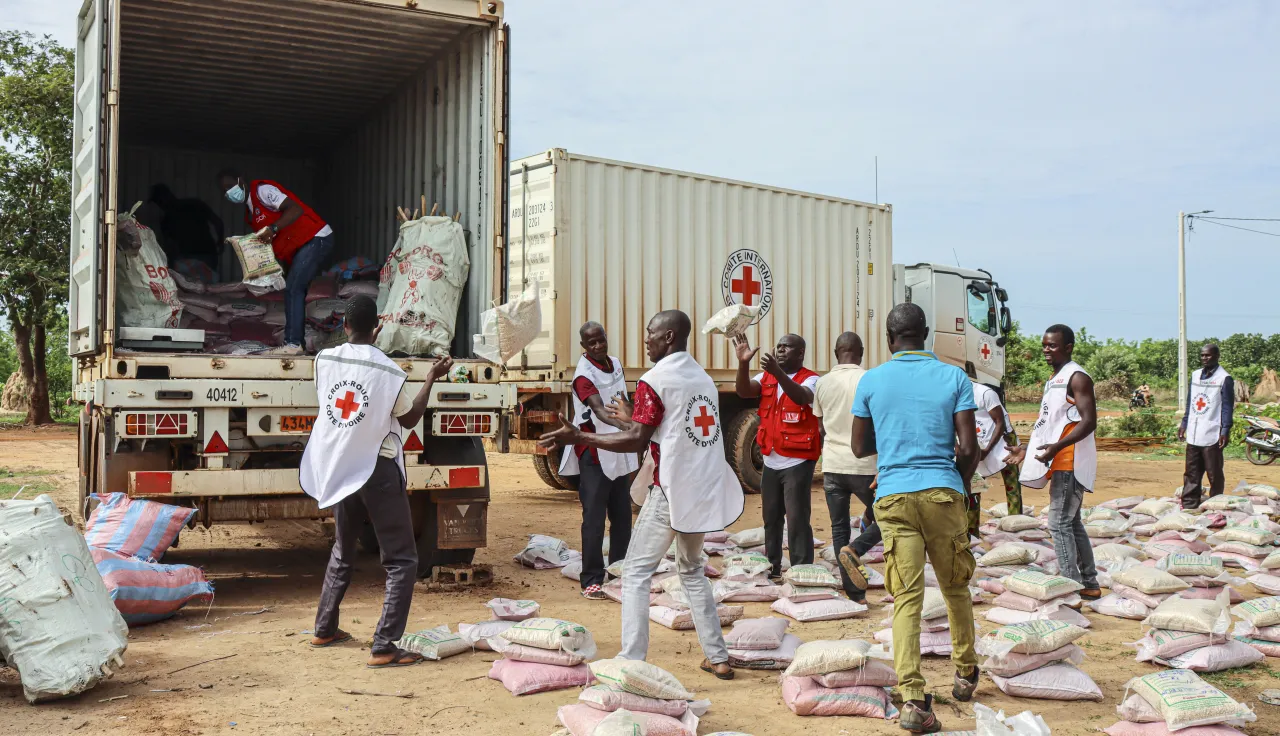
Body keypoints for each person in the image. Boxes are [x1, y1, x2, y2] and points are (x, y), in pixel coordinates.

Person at [541, 310, 743, 680]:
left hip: (670, 490)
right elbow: (657, 428)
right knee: (693, 572)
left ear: (668, 336)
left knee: (634, 572)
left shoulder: (656, 379)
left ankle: (632, 658)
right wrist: (628, 418)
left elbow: (636, 438)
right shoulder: (703, 378)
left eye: (650, 332)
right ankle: (718, 657)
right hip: (703, 489)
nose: (645, 339)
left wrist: (581, 437)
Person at [300, 295, 453, 668]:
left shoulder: (324, 359)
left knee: (342, 549)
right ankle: (385, 645)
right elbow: (410, 418)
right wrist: (431, 378)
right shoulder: (387, 371)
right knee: (401, 560)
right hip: (377, 467)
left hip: (339, 465)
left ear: (345, 325)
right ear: (378, 328)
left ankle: (324, 628)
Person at [849, 303, 980, 734]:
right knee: (954, 586)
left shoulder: (872, 380)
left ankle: (912, 700)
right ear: (925, 334)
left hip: (893, 496)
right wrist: (956, 486)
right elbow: (968, 447)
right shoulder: (953, 377)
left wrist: (895, 449)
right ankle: (964, 672)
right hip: (943, 492)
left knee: (906, 599)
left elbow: (858, 447)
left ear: (889, 338)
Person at [1019, 324, 1101, 601]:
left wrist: (1057, 447)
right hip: (1058, 459)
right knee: (1072, 521)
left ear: (1068, 347)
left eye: (1052, 345)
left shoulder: (1077, 377)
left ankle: (1070, 589)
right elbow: (1050, 424)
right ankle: (1088, 582)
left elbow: (1089, 422)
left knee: (1058, 523)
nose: (1046, 350)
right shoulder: (1055, 378)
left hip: (1070, 460)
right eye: (1044, 345)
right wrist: (1025, 449)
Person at [558, 321, 639, 599]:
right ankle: (591, 578)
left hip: (619, 449)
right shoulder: (583, 375)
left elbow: (623, 400)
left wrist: (632, 418)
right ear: (584, 347)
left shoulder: (615, 363)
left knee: (622, 515)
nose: (598, 346)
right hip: (594, 452)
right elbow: (600, 410)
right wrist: (630, 428)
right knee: (594, 518)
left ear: (606, 338)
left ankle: (618, 570)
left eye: (601, 340)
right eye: (591, 343)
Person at [217, 168, 335, 355]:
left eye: (230, 186)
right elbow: (280, 241)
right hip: (300, 247)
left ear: (241, 180)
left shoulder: (262, 191)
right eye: (224, 191)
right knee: (293, 288)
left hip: (316, 236)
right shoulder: (250, 214)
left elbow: (295, 209)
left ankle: (293, 344)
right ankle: (296, 343)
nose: (229, 193)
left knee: (294, 289)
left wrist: (272, 228)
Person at [732, 333, 820, 581]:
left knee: (797, 519)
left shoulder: (812, 379)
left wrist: (778, 373)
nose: (780, 350)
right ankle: (773, 567)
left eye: (786, 347)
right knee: (771, 518)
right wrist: (743, 363)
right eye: (778, 347)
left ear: (800, 353)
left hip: (798, 461)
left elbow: (801, 397)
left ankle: (802, 569)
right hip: (771, 459)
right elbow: (744, 391)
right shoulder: (766, 376)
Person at [810, 331, 878, 603]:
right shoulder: (869, 379)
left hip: (833, 465)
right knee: (890, 516)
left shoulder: (822, 383)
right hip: (864, 466)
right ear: (860, 352)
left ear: (836, 352)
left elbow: (820, 427)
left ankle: (855, 593)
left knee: (839, 527)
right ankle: (857, 549)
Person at [969, 370, 1027, 536]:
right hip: (978, 439)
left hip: (1003, 438)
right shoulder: (953, 395)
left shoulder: (985, 393)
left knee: (1011, 483)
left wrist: (987, 450)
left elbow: (1000, 422)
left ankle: (1015, 524)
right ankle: (972, 531)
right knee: (975, 485)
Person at [1178, 343, 1235, 509]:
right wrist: (1184, 422)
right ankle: (1189, 504)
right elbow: (1191, 401)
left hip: (1212, 433)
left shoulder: (1224, 378)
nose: (1204, 358)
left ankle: (1215, 505)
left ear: (1217, 356)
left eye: (1208, 355)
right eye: (1202, 355)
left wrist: (1225, 430)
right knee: (1191, 472)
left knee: (1214, 473)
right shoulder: (1195, 375)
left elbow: (1227, 407)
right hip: (1194, 433)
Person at [148, 183, 225, 269]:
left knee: (186, 281)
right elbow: (217, 222)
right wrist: (220, 242)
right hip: (205, 254)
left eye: (158, 201)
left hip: (188, 258)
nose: (159, 204)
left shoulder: (167, 219)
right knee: (207, 281)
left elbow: (169, 246)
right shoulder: (195, 204)